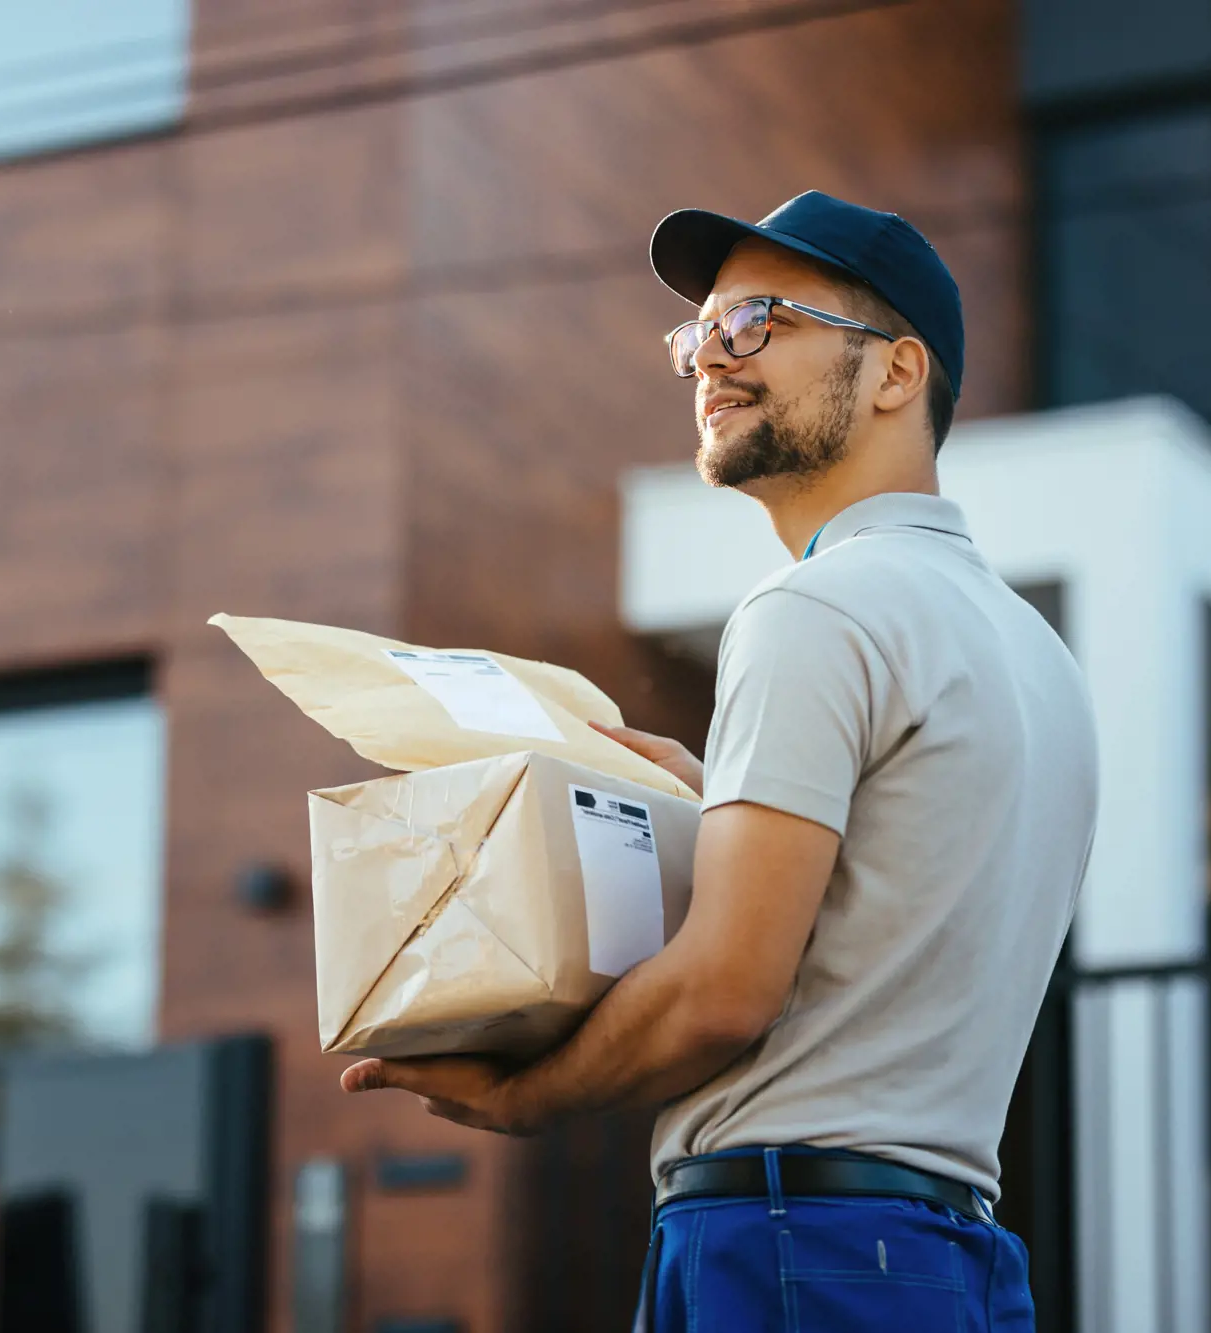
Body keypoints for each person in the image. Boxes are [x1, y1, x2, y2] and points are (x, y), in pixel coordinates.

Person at [339, 191, 1098, 1328]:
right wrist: (713, 797)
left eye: (757, 323)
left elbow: (723, 991)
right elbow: (889, 902)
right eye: (696, 335)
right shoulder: (1037, 656)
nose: (710, 360)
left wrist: (521, 1099)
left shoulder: (816, 610)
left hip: (790, 1241)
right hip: (948, 1257)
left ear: (894, 373)